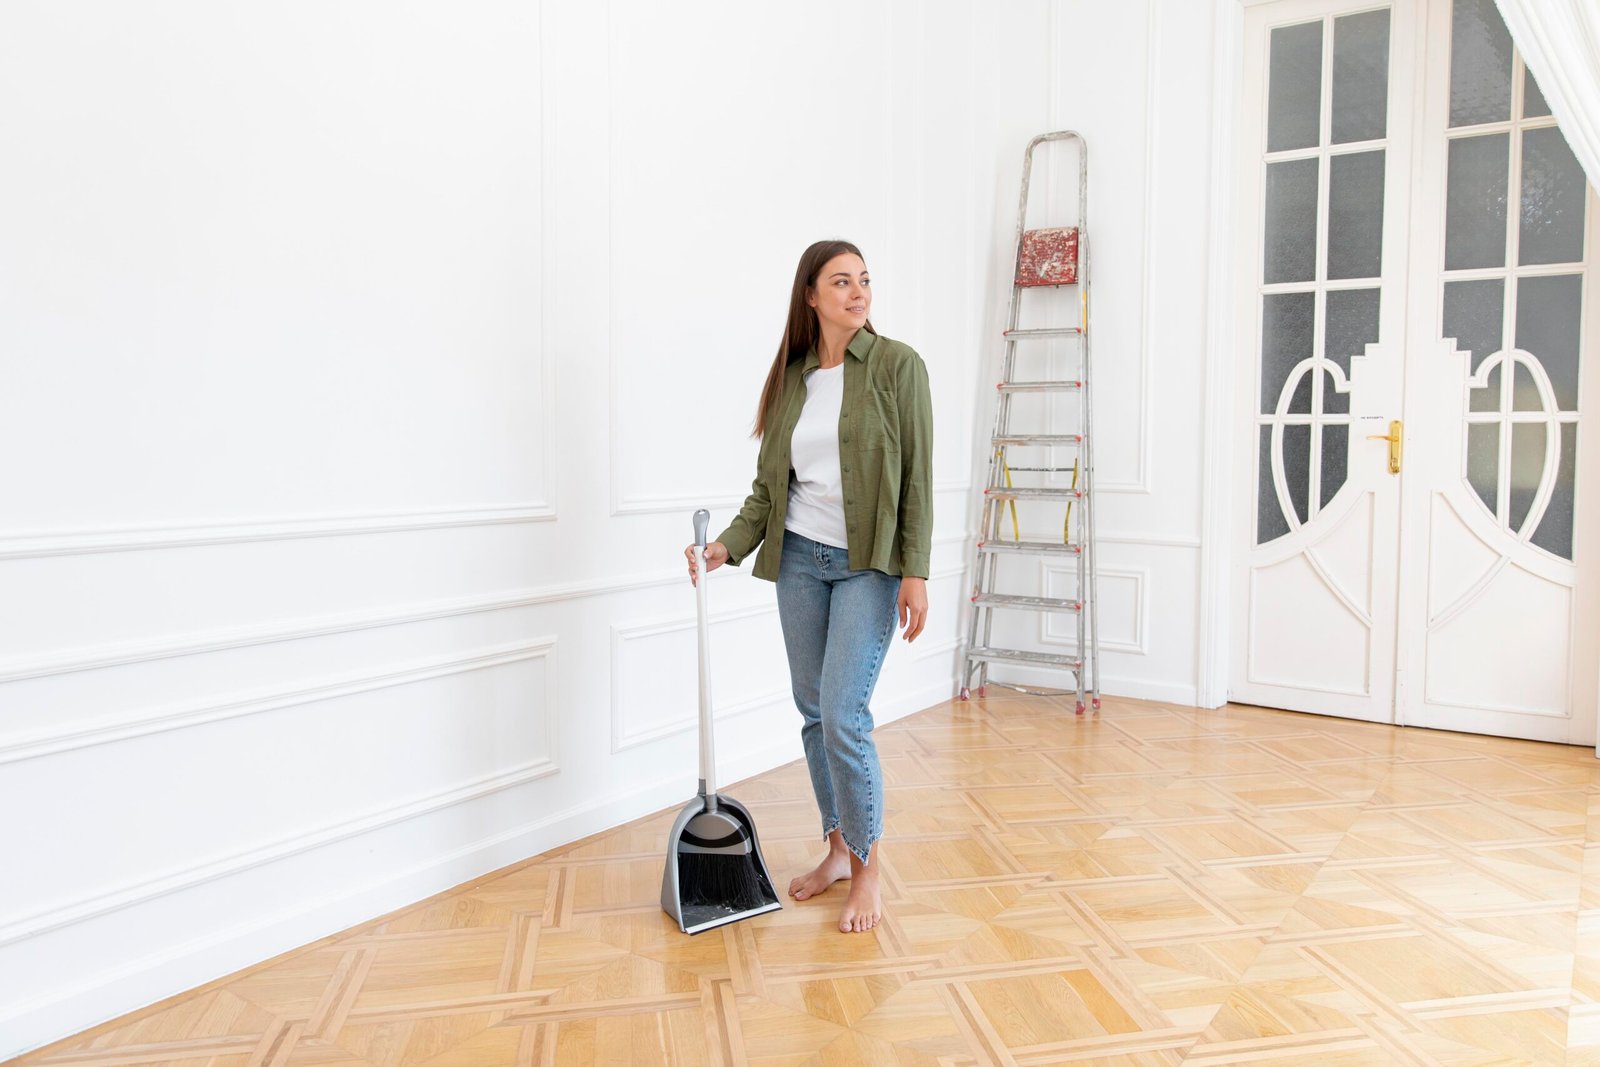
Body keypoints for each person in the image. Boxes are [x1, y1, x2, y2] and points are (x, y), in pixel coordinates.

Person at [684, 238, 932, 934]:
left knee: (845, 714)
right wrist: (724, 547)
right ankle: (834, 848)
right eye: (841, 281)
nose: (858, 292)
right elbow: (769, 490)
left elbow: (918, 476)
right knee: (816, 711)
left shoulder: (897, 367)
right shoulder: (794, 379)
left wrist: (915, 570)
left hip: (869, 565)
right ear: (812, 297)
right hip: (799, 561)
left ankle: (867, 868)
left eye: (864, 280)